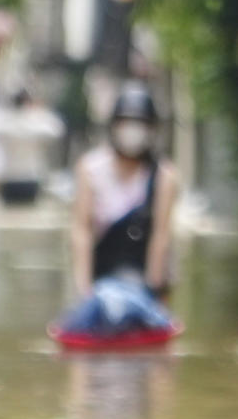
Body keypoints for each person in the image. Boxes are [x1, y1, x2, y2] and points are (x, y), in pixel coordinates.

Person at [69, 83, 178, 297]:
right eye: (126, 123)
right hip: (101, 274)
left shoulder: (164, 175)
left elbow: (161, 237)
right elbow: (82, 231)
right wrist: (83, 289)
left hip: (144, 277)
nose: (132, 130)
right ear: (114, 126)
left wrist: (153, 292)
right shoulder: (91, 169)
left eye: (140, 124)